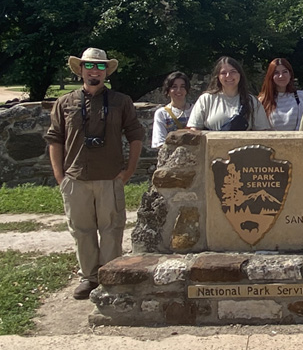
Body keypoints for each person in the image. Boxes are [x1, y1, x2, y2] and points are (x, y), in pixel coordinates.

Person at [44, 48, 145, 299]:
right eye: (89, 66)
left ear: (106, 72)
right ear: (80, 70)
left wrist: (128, 170)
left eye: (100, 67)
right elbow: (55, 139)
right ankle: (89, 277)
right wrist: (60, 176)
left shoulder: (121, 101)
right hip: (76, 178)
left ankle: (110, 276)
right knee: (81, 230)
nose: (94, 71)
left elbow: (136, 135)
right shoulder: (65, 102)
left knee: (111, 229)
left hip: (110, 177)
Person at [187, 56, 271, 131]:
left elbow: (262, 131)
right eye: (223, 73)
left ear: (240, 75)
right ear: (218, 77)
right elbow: (194, 129)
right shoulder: (206, 99)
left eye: (233, 72)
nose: (228, 76)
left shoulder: (252, 101)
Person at [259, 58, 303, 131]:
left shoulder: (301, 96)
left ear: (290, 74)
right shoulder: (262, 101)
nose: (281, 76)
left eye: (285, 72)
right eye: (276, 73)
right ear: (271, 76)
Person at [151, 71, 193, 148]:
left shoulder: (196, 110)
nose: (178, 90)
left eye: (182, 86)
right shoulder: (162, 113)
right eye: (174, 87)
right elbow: (160, 141)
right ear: (168, 90)